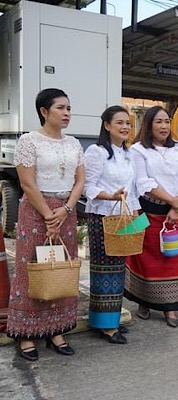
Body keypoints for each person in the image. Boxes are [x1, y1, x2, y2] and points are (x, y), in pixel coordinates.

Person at [7, 88, 84, 361]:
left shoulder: (73, 143)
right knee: (33, 268)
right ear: (44, 111)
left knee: (61, 268)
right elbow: (27, 182)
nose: (67, 113)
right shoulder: (29, 141)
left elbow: (80, 180)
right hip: (36, 211)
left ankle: (56, 329)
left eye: (68, 108)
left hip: (66, 210)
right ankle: (26, 333)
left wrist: (65, 209)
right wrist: (49, 215)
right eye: (61, 108)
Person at [125, 106, 178, 327]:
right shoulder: (138, 150)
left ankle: (170, 308)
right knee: (145, 259)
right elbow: (143, 182)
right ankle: (144, 302)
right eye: (158, 122)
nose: (164, 126)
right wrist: (172, 200)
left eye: (167, 121)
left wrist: (176, 208)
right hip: (148, 211)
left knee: (172, 257)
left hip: (175, 215)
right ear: (149, 124)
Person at [84, 105, 139, 344]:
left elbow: (133, 190)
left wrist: (136, 215)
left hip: (124, 216)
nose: (125, 127)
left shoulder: (128, 154)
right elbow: (89, 187)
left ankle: (110, 319)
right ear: (107, 125)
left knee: (119, 267)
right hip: (102, 216)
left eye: (127, 123)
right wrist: (111, 196)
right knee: (103, 268)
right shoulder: (96, 152)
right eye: (119, 122)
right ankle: (105, 325)